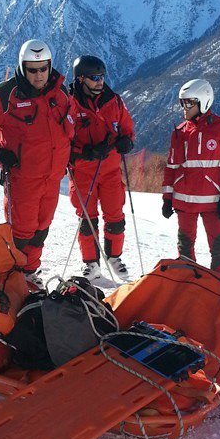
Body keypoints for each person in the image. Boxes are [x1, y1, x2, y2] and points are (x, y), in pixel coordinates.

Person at [0, 39, 75, 287]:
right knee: (21, 231)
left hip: (52, 178)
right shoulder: (7, 94)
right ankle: (12, 276)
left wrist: (71, 151)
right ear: (22, 67)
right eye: (32, 69)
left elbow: (69, 123)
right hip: (22, 179)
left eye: (43, 68)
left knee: (42, 227)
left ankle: (30, 272)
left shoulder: (61, 93)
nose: (38, 75)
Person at [161, 79, 220, 275]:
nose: (184, 108)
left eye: (189, 103)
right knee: (185, 245)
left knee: (218, 247)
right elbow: (171, 167)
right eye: (182, 103)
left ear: (203, 101)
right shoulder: (179, 133)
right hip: (183, 201)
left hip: (213, 202)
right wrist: (167, 198)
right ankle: (188, 280)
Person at [68, 54, 135, 282]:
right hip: (83, 172)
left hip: (110, 170)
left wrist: (127, 141)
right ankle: (91, 263)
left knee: (115, 216)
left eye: (102, 77)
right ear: (80, 80)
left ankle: (114, 257)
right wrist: (83, 152)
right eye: (94, 78)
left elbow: (127, 127)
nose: (100, 82)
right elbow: (62, 141)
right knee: (87, 218)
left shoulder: (113, 101)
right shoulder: (69, 104)